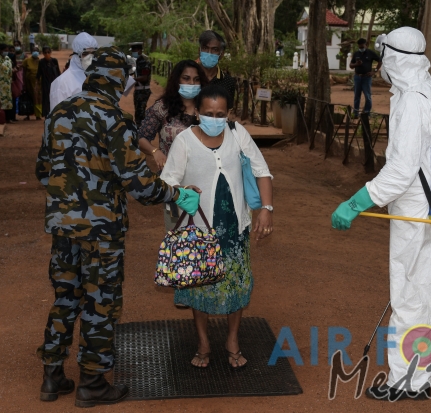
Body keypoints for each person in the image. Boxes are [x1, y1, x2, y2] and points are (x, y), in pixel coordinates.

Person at [35, 46, 200, 408]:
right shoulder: (114, 120)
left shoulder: (59, 113)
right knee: (101, 301)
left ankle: (52, 375)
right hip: (101, 231)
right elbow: (138, 184)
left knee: (65, 296)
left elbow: (43, 170)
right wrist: (176, 194)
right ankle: (92, 383)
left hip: (63, 227)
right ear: (117, 81)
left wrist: (70, 194)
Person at [331, 27, 431, 401]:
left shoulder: (411, 101)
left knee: (410, 291)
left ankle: (409, 380)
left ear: (392, 57)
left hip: (416, 206)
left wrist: (357, 202)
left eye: (382, 56)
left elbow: (402, 171)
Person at [161, 84, 274, 369]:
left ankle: (232, 340)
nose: (215, 119)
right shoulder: (184, 141)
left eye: (220, 114)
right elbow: (167, 182)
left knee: (236, 284)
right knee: (200, 287)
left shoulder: (238, 134)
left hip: (235, 229)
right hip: (199, 230)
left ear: (229, 113)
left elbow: (261, 170)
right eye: (209, 113)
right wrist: (182, 191)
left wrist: (266, 209)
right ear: (197, 113)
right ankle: (203, 342)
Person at [138, 59, 209, 231]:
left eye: (196, 79)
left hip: (206, 181)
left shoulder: (208, 108)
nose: (191, 83)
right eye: (186, 78)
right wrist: (155, 151)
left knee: (208, 232)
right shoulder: (163, 108)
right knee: (177, 233)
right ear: (177, 80)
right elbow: (140, 137)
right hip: (174, 187)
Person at [49, 32, 98, 112]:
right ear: (76, 55)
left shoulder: (98, 78)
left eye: (93, 53)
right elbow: (57, 116)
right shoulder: (62, 83)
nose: (90, 57)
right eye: (85, 53)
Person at [197, 30, 236, 100]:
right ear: (199, 51)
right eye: (205, 48)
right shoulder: (190, 77)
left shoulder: (228, 82)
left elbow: (228, 106)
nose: (209, 53)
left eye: (214, 49)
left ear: (221, 54)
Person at [350, 38, 382, 118]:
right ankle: (356, 113)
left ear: (366, 45)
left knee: (367, 96)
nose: (361, 48)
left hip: (366, 78)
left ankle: (367, 113)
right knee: (357, 96)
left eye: (362, 47)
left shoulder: (370, 53)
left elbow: (380, 61)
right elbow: (351, 65)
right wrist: (356, 64)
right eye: (360, 47)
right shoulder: (356, 53)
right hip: (357, 77)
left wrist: (374, 71)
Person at [127, 41, 151, 126]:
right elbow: (132, 72)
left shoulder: (145, 62)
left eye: (135, 50)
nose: (133, 52)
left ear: (140, 50)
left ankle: (141, 129)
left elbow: (144, 78)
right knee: (138, 111)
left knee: (140, 112)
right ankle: (138, 127)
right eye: (132, 51)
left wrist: (132, 80)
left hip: (143, 91)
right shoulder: (136, 61)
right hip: (138, 90)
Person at [0, 44, 16, 123]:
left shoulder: (7, 58)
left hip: (7, 83)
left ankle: (8, 118)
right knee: (0, 100)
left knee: (8, 101)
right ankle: (0, 117)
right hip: (0, 83)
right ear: (0, 50)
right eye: (5, 50)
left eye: (7, 50)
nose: (7, 52)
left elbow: (10, 69)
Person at [36, 46, 61, 116]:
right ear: (43, 53)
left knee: (54, 98)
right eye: (45, 52)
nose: (47, 54)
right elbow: (38, 74)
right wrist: (37, 85)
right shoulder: (41, 62)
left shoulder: (54, 61)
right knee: (46, 99)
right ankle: (46, 114)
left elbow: (58, 72)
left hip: (54, 82)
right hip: (45, 83)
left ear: (50, 52)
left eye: (48, 52)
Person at [22, 47, 42, 120]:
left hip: (38, 83)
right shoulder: (27, 61)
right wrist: (24, 83)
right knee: (28, 98)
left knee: (37, 99)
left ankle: (38, 115)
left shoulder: (40, 62)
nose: (35, 52)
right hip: (29, 83)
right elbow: (24, 72)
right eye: (34, 51)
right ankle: (28, 115)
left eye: (36, 51)